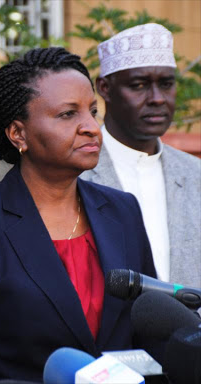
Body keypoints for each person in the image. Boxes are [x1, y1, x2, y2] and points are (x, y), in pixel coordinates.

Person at [0, 47, 157, 384]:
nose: (91, 128)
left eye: (93, 111)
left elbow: (149, 331)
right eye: (68, 114)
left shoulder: (122, 210)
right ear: (18, 134)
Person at [81, 23, 201, 288]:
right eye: (139, 85)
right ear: (105, 88)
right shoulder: (75, 174)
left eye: (166, 84)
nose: (157, 98)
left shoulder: (196, 175)